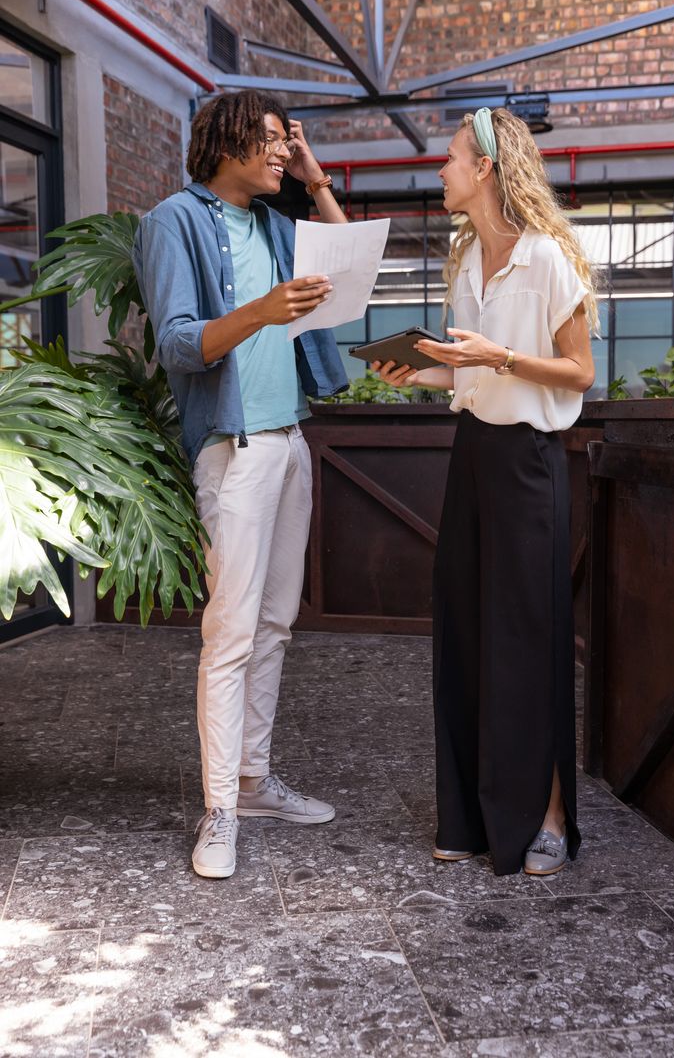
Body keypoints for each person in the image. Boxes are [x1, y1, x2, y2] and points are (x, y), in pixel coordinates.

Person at [373, 107, 596, 877]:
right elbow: (469, 372)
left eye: (452, 158)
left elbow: (578, 373)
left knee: (529, 640)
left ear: (488, 169)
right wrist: (421, 370)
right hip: (471, 457)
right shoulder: (464, 258)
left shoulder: (547, 259)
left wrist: (501, 357)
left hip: (530, 463)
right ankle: (468, 816)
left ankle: (551, 818)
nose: (441, 169)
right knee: (465, 631)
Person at [133, 90, 349, 879]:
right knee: (229, 635)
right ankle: (219, 807)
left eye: (285, 144)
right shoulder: (173, 222)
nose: (281, 153)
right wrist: (260, 309)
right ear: (224, 144)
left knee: (277, 623)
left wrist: (319, 183)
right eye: (267, 141)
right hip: (234, 449)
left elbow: (350, 265)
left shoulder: (281, 226)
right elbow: (182, 345)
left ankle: (255, 781)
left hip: (291, 440)